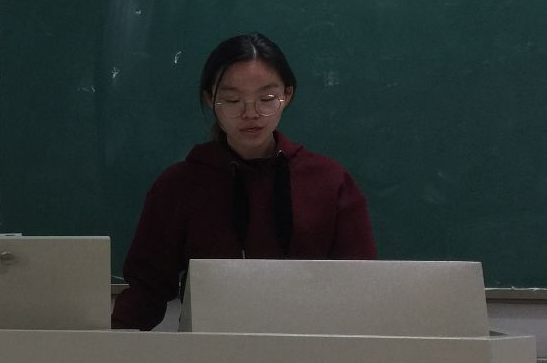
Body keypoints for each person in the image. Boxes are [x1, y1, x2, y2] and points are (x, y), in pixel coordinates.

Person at [111, 33, 376, 330]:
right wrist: (102, 345)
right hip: (210, 349)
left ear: (287, 95)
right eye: (232, 100)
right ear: (210, 99)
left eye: (267, 99)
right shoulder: (180, 186)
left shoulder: (329, 182)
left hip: (312, 347)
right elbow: (145, 292)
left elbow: (361, 287)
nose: (251, 113)